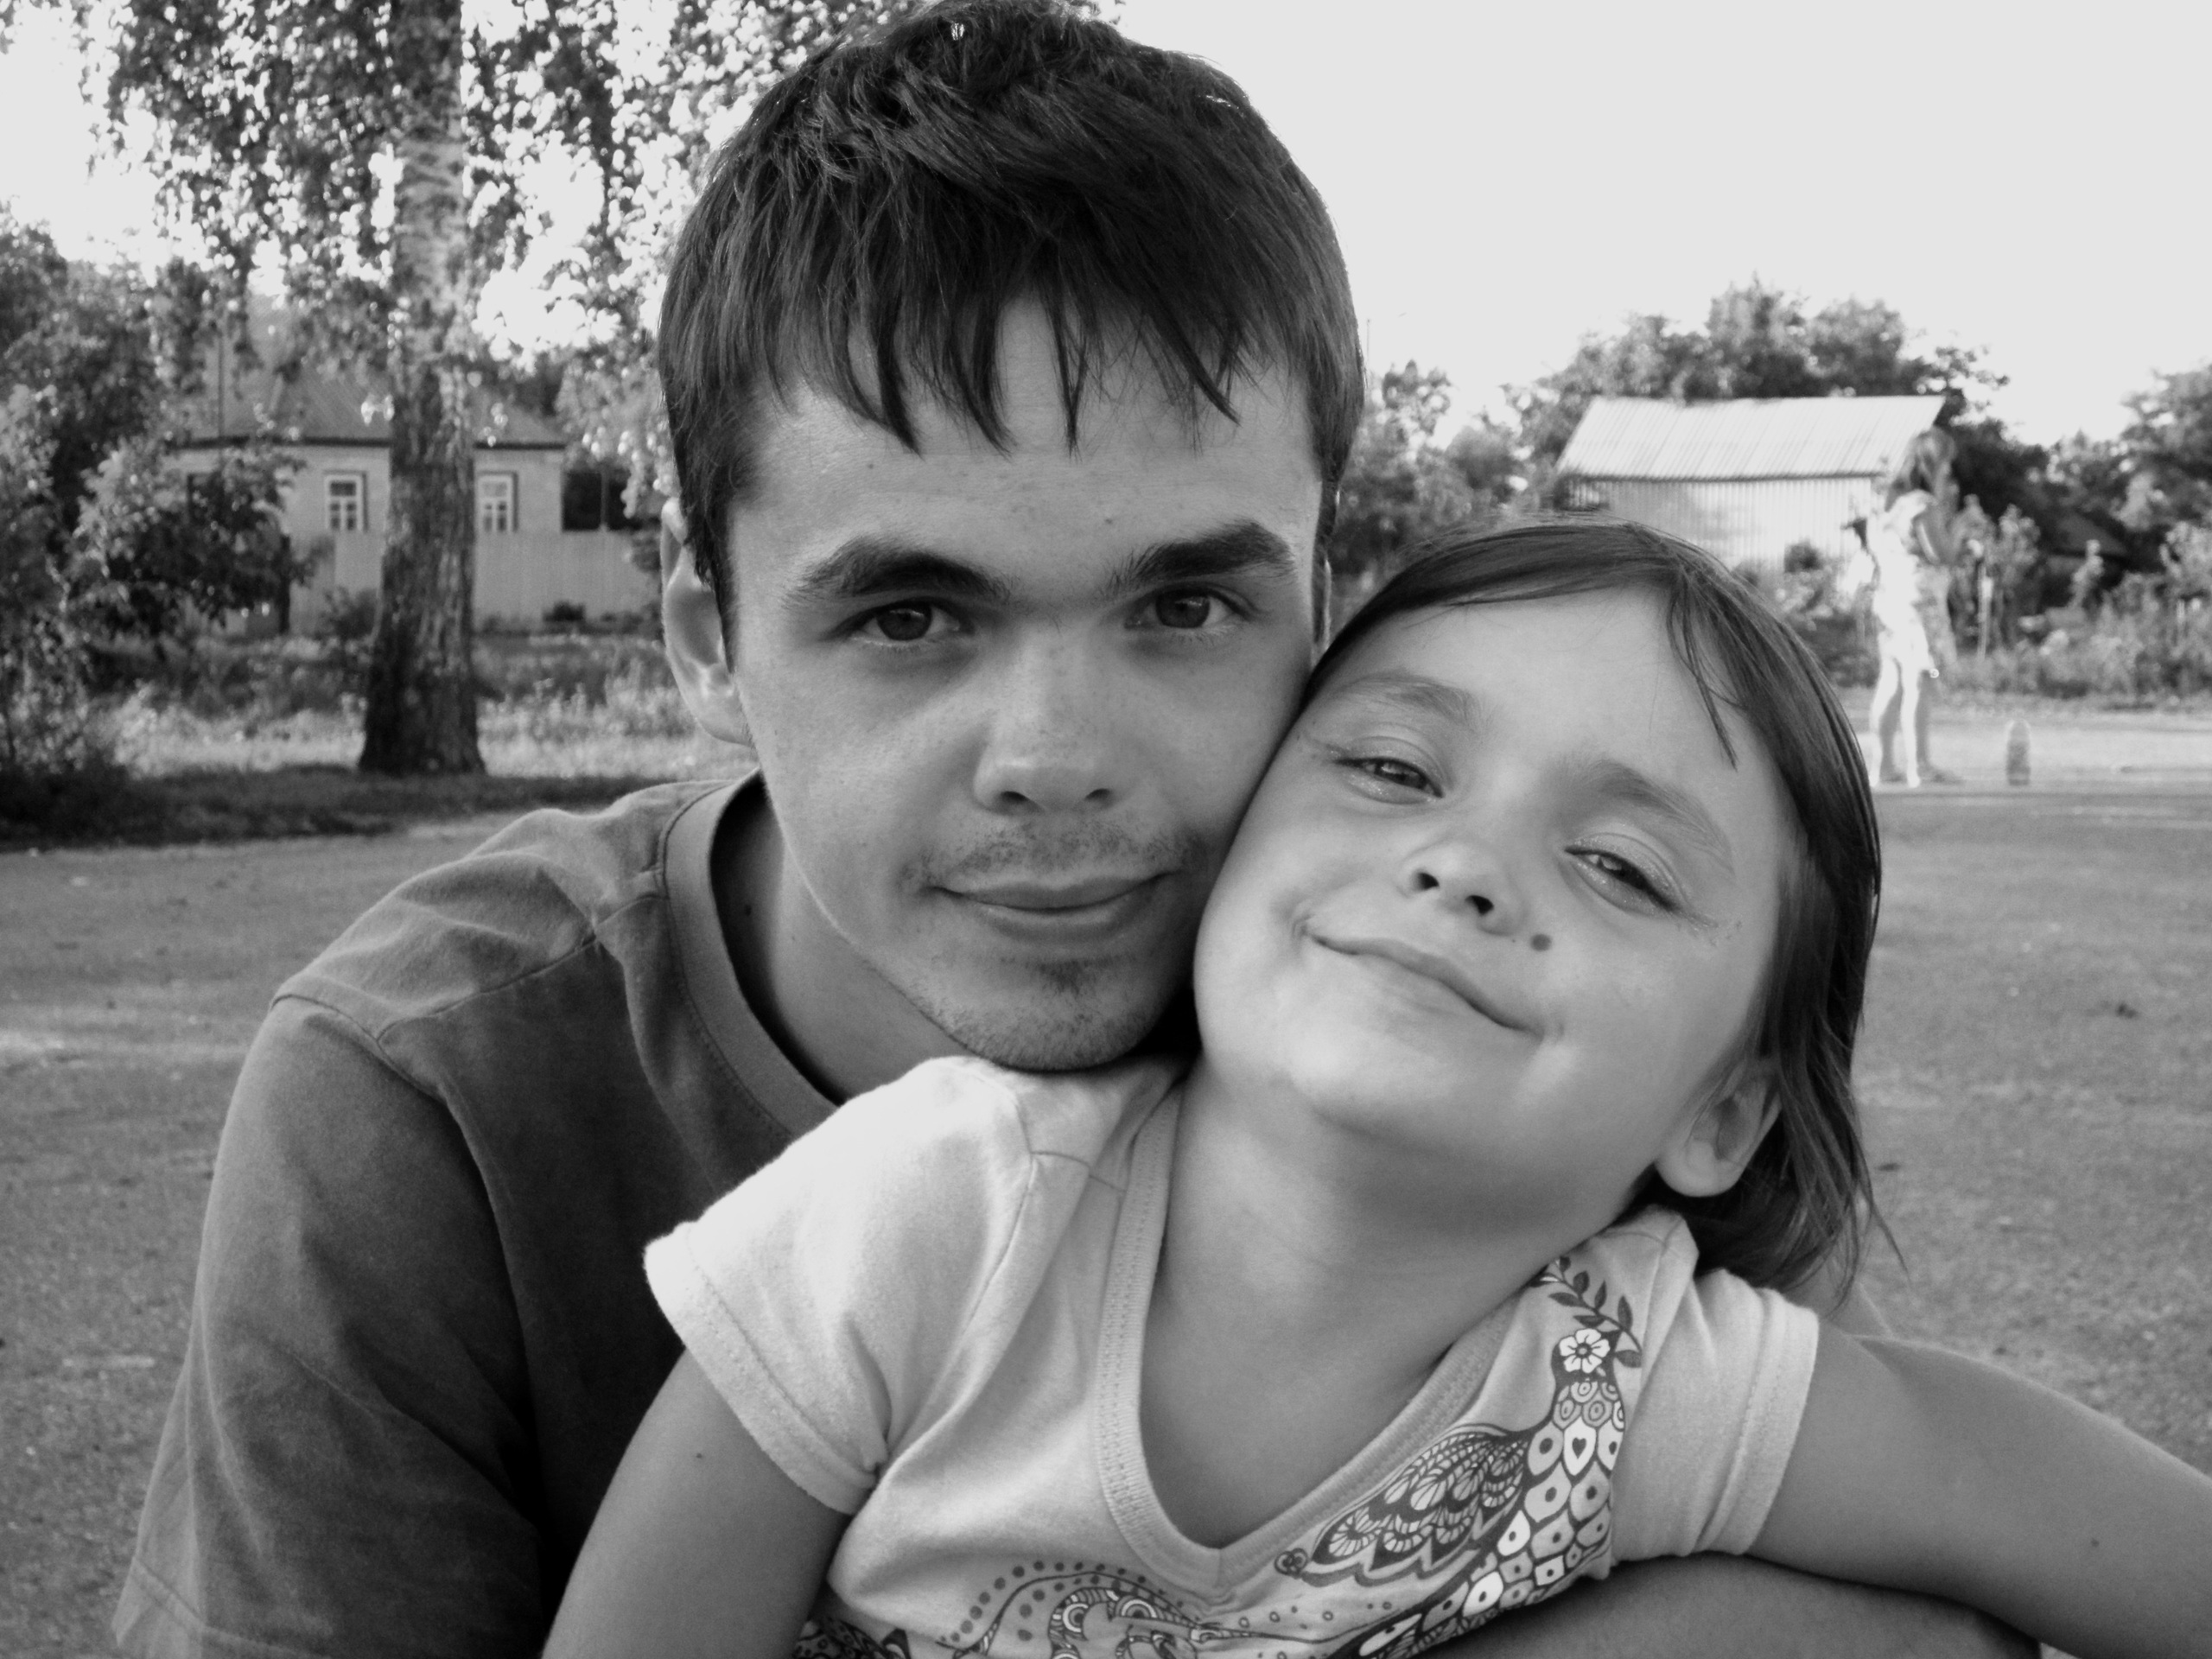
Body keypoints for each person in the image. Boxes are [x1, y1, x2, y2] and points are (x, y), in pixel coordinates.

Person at [116, 4, 2027, 1655]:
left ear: (1320, 600)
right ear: (710, 647)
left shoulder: (1439, 1025)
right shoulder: (432, 1096)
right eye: (906, 618)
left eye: (1184, 606)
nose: (1054, 761)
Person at [546, 523, 2212, 1659]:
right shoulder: (937, 1214)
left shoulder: (1625, 1382)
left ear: (1725, 1112)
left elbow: (2016, 1496)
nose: (1466, 864)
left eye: (1621, 866)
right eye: (1394, 769)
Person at [1866, 428, 1962, 787]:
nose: (1950, 470)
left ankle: (1882, 766)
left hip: (1888, 600)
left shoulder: (1888, 505)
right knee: (1920, 678)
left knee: (1891, 680)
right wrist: (1962, 527)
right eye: (1947, 462)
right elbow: (1942, 555)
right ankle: (1920, 767)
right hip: (1919, 603)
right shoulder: (1923, 504)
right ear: (1934, 463)